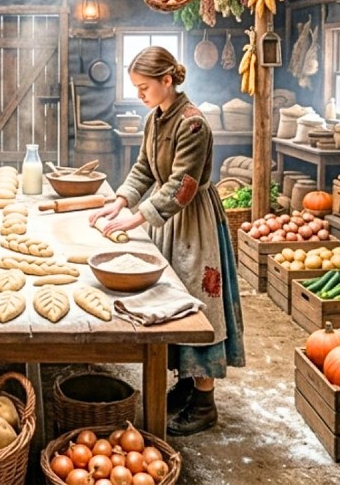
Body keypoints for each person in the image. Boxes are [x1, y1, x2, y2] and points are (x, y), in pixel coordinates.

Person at [89, 46, 245, 436]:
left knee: (197, 302)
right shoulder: (155, 118)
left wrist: (138, 216)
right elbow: (144, 167)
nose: (140, 94)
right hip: (164, 220)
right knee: (169, 302)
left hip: (192, 222)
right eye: (136, 88)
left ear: (167, 81)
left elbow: (182, 184)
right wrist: (119, 200)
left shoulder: (193, 124)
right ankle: (186, 384)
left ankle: (205, 403)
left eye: (144, 87)